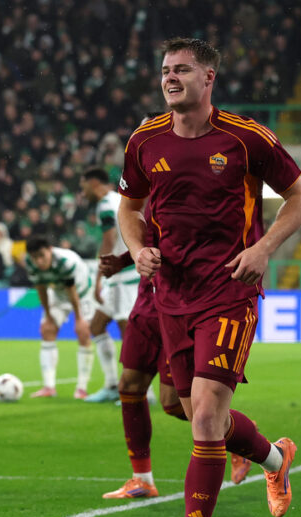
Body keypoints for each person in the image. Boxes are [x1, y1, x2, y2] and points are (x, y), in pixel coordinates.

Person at [117, 38, 301, 517]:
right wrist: (137, 251)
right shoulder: (144, 139)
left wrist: (263, 248)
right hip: (171, 298)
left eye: (182, 70)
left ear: (209, 78)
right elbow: (128, 207)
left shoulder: (246, 139)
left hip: (229, 290)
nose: (170, 78)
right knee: (186, 411)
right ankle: (275, 458)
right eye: (164, 70)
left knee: (204, 415)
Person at [99, 248, 253, 500]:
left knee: (172, 403)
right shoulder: (143, 207)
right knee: (129, 385)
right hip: (146, 306)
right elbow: (147, 235)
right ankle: (142, 480)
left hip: (178, 309)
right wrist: (123, 260)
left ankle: (236, 432)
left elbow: (177, 237)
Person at [80, 167, 142, 404]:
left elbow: (109, 239)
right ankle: (111, 385)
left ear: (94, 183)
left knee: (129, 333)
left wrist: (98, 276)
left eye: (83, 185)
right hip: (122, 276)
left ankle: (141, 390)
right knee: (96, 326)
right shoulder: (119, 199)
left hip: (122, 279)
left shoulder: (106, 205)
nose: (82, 191)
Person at [23, 236, 95, 399]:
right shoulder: (29, 263)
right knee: (47, 330)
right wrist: (48, 315)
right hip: (57, 293)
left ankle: (81, 389)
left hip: (82, 295)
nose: (39, 261)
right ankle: (49, 387)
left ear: (50, 250)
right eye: (35, 258)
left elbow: (72, 291)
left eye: (42, 255)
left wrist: (78, 319)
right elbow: (40, 288)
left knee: (83, 333)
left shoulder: (65, 262)